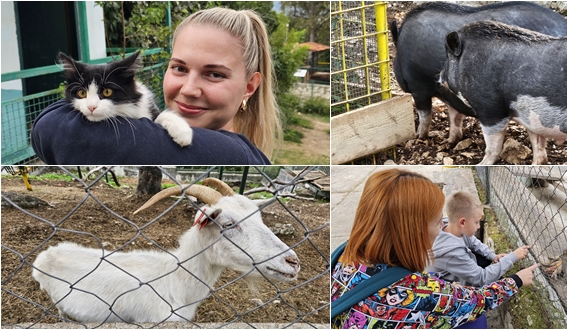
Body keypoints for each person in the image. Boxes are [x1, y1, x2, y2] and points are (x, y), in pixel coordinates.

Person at [31, 7, 281, 165]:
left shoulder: (237, 157)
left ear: (249, 87)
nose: (188, 90)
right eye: (180, 68)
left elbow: (52, 129)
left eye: (214, 74)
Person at [331, 169, 539, 329]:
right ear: (412, 230)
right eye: (438, 222)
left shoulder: (343, 253)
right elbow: (478, 300)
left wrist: (493, 255)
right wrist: (517, 279)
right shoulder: (418, 290)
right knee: (476, 321)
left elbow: (473, 243)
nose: (442, 227)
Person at [425, 191, 531, 328]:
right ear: (462, 222)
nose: (479, 226)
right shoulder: (451, 251)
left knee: (483, 259)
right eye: (476, 222)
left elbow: (473, 242)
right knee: (479, 321)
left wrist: (493, 256)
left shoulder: (449, 225)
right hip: (445, 293)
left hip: (449, 276)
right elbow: (482, 277)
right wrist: (512, 257)